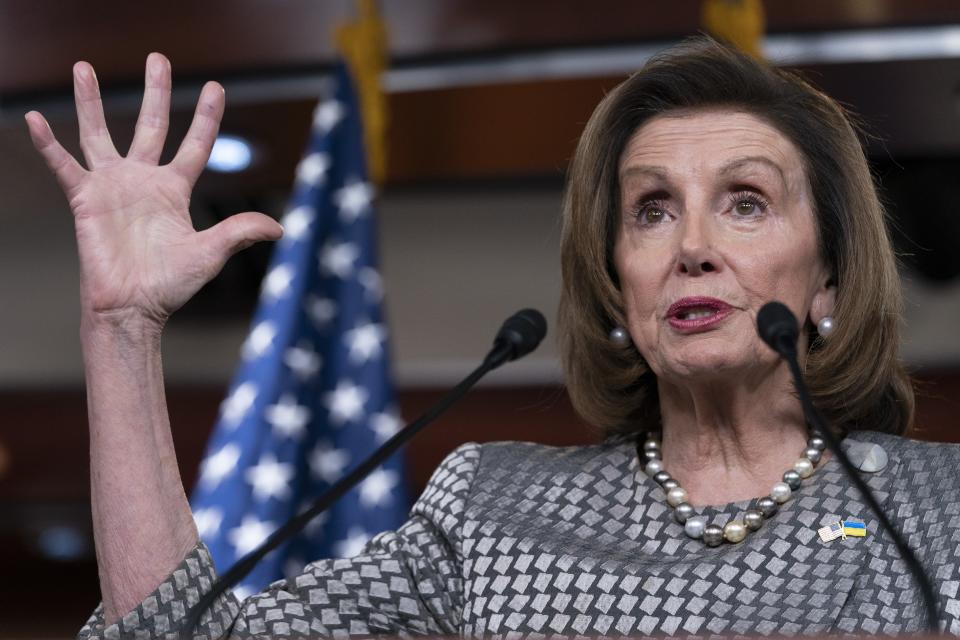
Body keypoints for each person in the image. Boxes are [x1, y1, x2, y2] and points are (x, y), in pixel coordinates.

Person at [26, 38, 960, 639]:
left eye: (746, 204)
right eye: (651, 211)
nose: (694, 248)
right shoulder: (492, 511)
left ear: (830, 277)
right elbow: (181, 637)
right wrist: (121, 329)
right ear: (614, 286)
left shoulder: (938, 512)